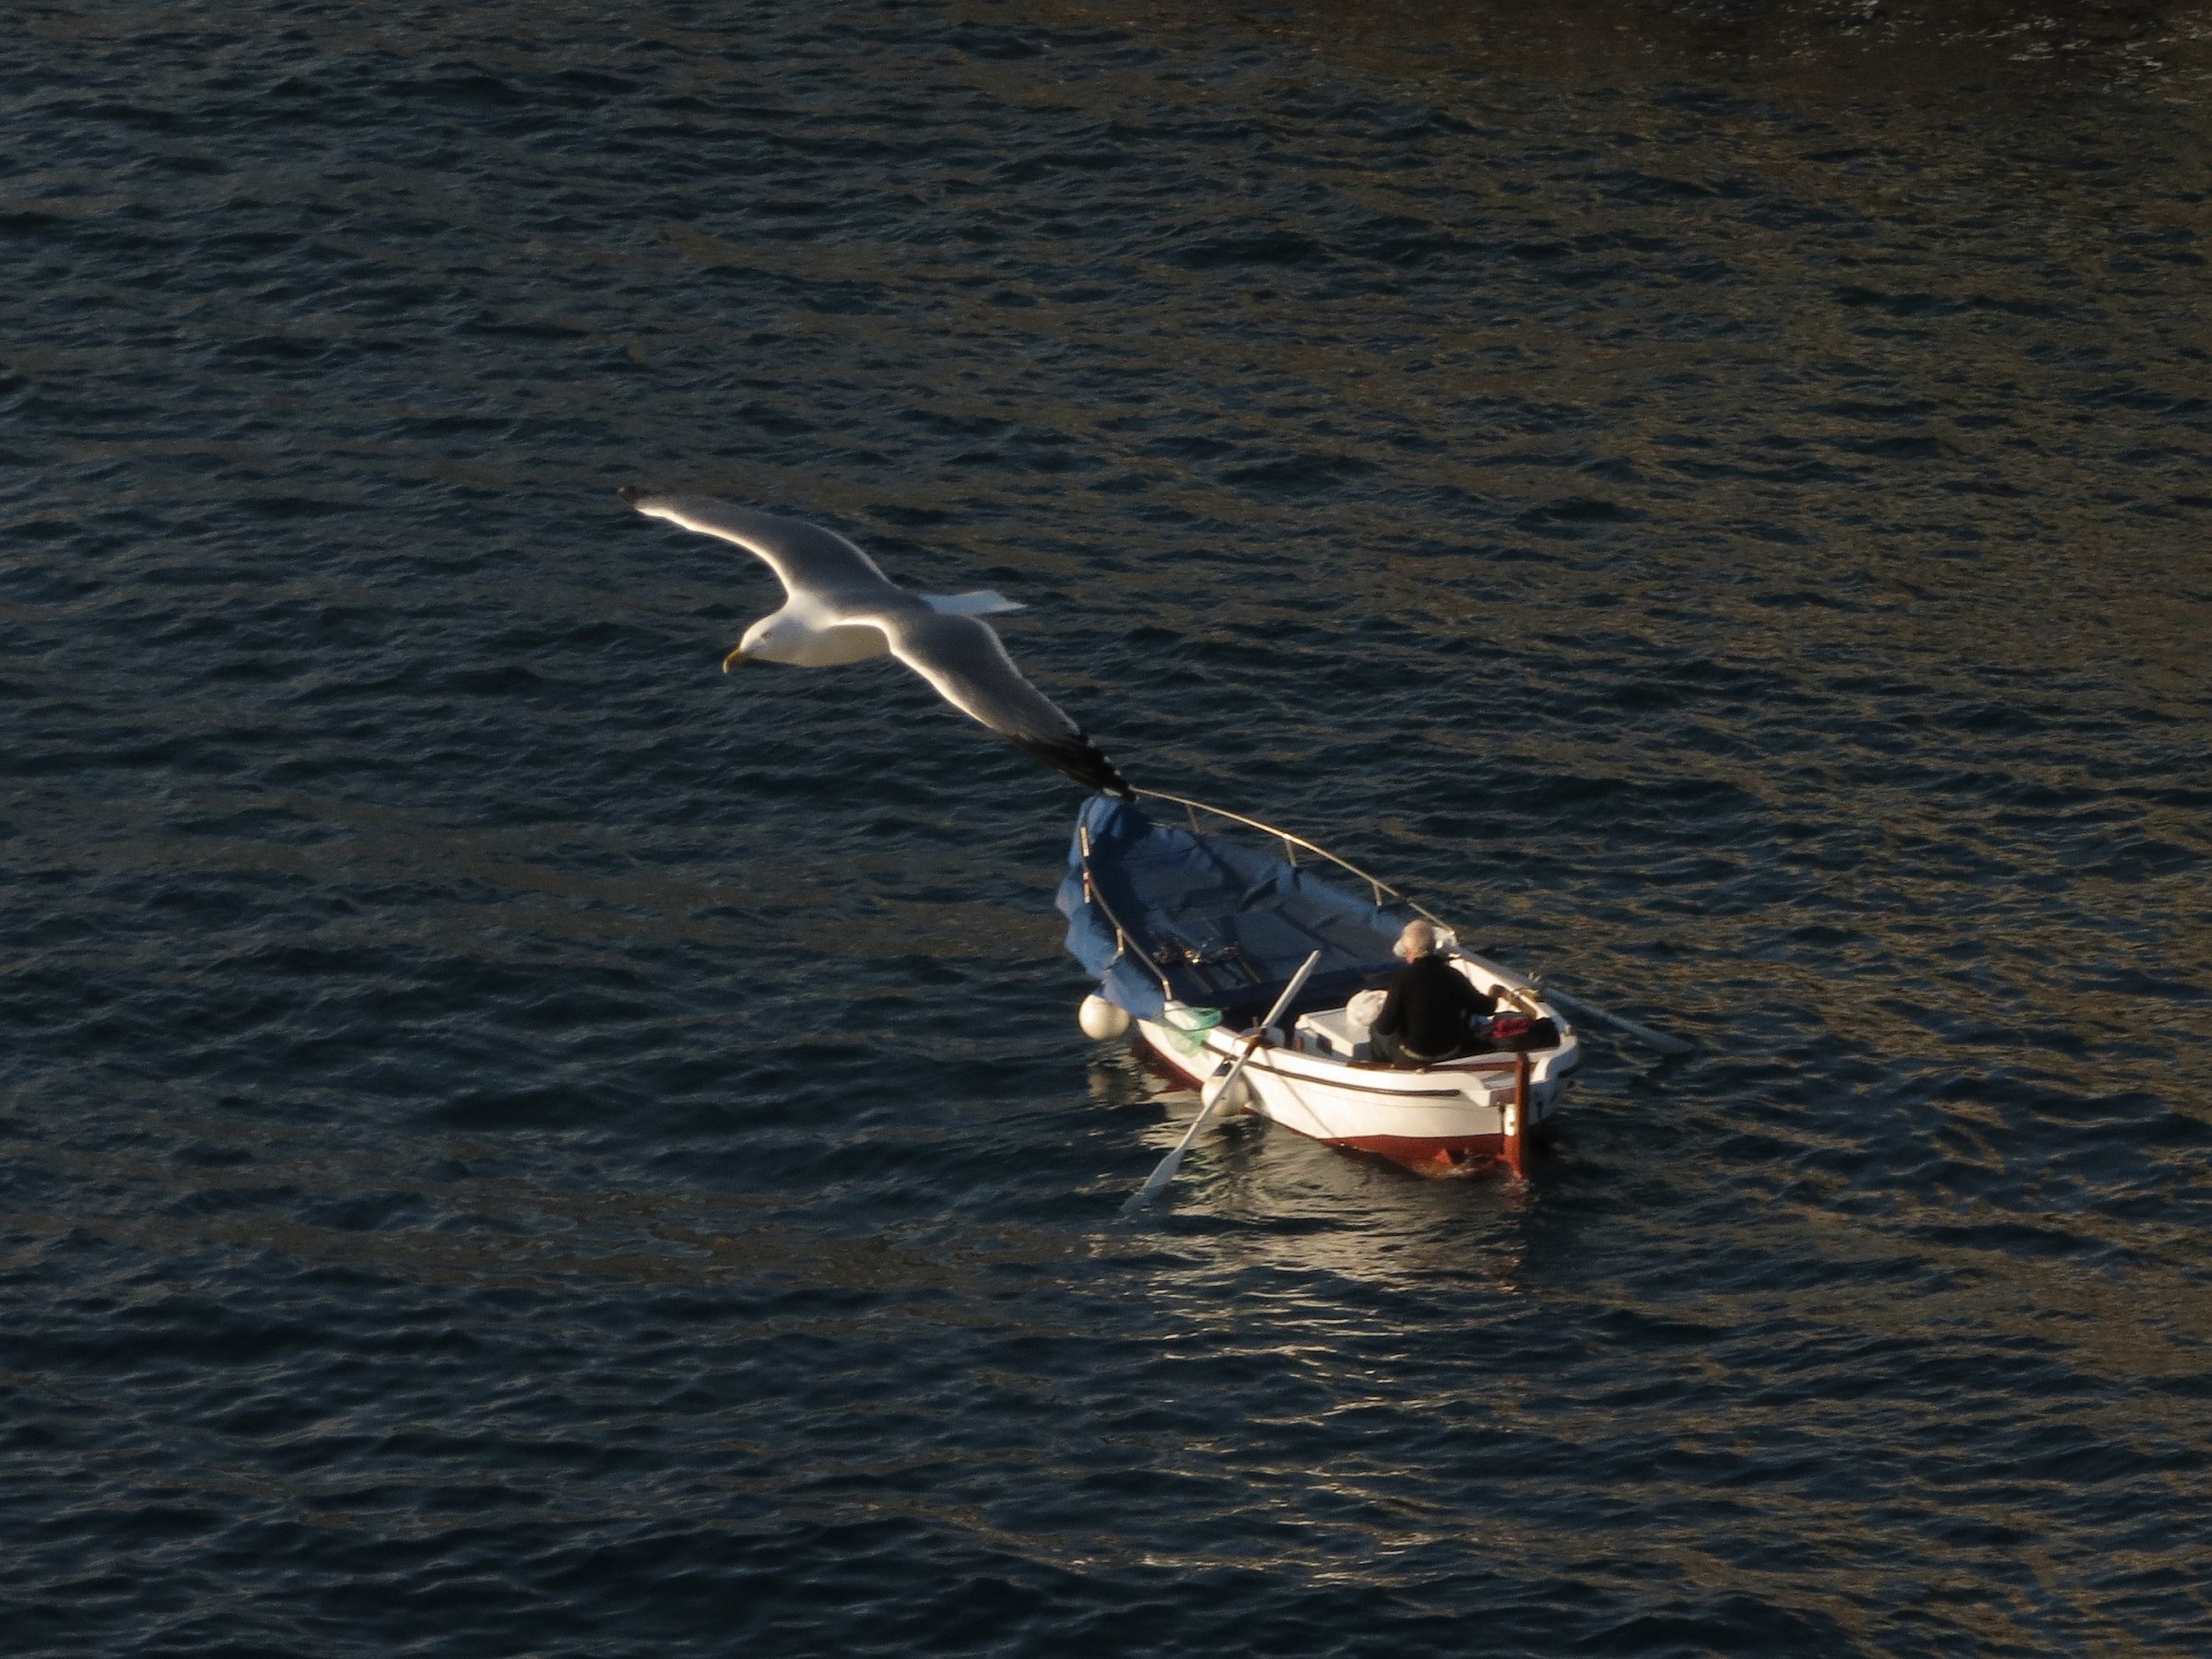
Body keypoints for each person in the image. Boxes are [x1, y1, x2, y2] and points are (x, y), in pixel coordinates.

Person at [1368, 921, 1494, 1066]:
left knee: (1375, 1029)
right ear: (1433, 947)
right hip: (1451, 1051)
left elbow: (1385, 1027)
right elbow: (1486, 1008)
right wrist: (1493, 995)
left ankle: (1385, 1074)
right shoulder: (1453, 975)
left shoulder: (1401, 979)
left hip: (1415, 1057)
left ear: (1409, 953)